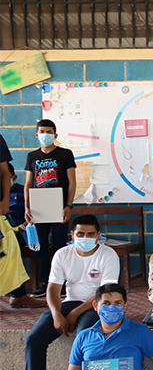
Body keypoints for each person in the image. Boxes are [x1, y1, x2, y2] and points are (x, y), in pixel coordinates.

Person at [13, 214, 120, 370]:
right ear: (72, 234)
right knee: (34, 339)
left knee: (84, 338)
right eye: (80, 233)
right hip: (70, 302)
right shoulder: (63, 254)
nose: (85, 237)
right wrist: (56, 314)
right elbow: (53, 289)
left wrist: (74, 314)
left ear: (99, 236)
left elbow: (105, 294)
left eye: (90, 234)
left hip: (98, 306)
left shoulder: (108, 255)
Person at [24, 119, 76, 298]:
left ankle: (61, 284)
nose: (45, 135)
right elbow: (28, 184)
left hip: (60, 208)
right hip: (39, 209)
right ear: (36, 134)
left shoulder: (65, 154)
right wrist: (27, 207)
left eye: (49, 132)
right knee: (40, 248)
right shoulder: (32, 156)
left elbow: (72, 182)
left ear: (55, 135)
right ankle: (46, 283)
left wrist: (68, 205)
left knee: (60, 247)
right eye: (42, 131)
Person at [2, 140, 45, 308]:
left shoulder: (19, 190)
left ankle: (18, 294)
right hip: (9, 228)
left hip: (12, 227)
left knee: (13, 247)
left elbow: (4, 172)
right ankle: (17, 294)